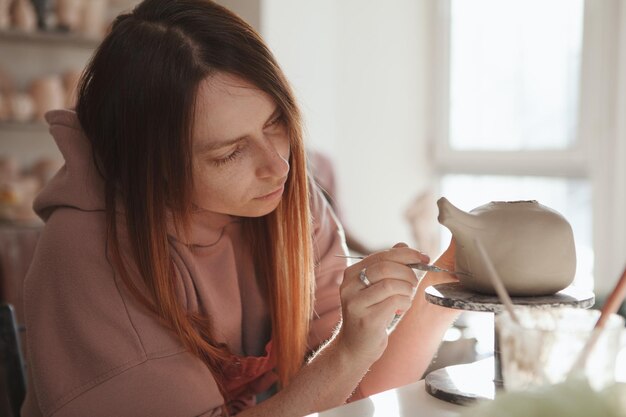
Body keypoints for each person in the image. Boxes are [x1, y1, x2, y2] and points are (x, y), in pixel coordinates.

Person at [21, 1, 460, 416]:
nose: (278, 166)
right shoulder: (88, 257)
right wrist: (344, 354)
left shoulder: (289, 200)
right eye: (229, 154)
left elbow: (358, 392)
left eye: (275, 124)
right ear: (152, 167)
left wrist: (456, 278)